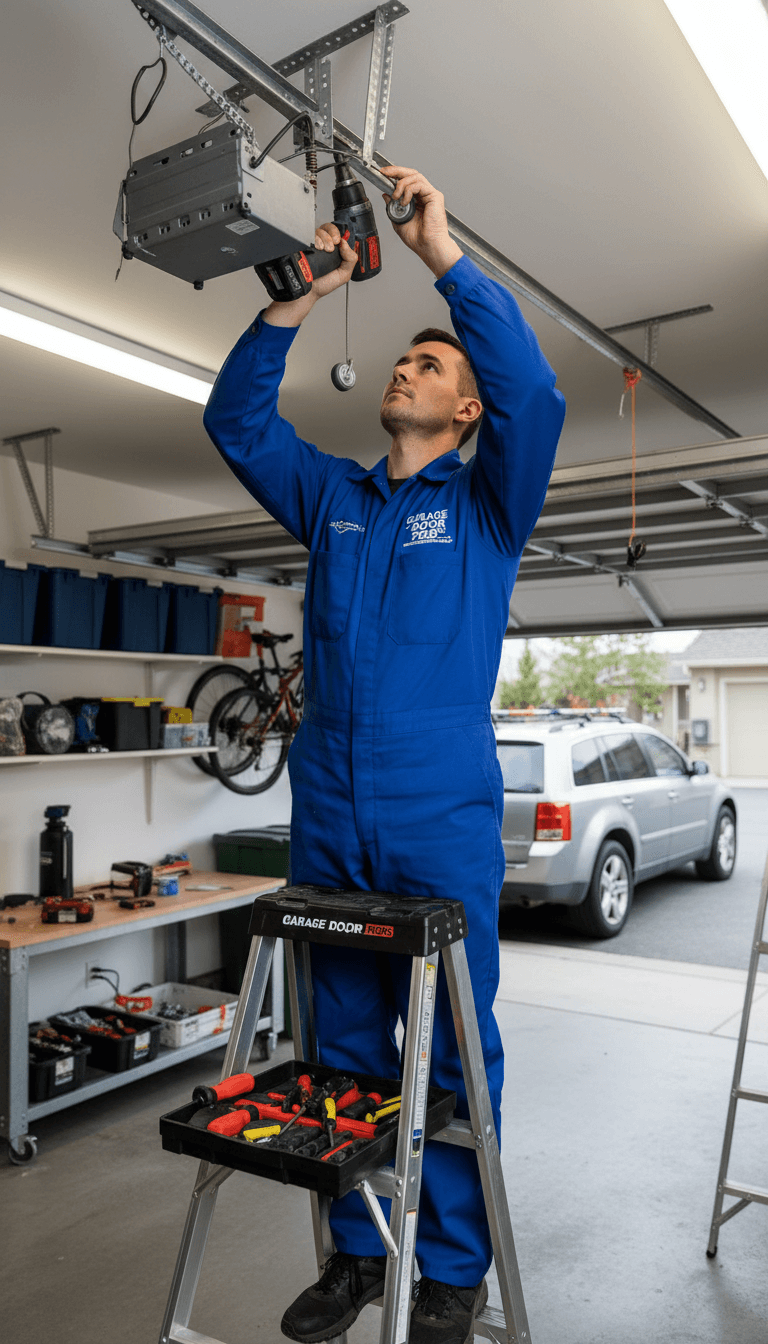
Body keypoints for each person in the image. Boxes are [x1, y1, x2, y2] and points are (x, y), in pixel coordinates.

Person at [203, 166, 565, 1344]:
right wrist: (301, 293)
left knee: (453, 1051)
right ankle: (362, 1248)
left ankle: (451, 1269)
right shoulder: (335, 499)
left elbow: (538, 394)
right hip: (330, 801)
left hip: (436, 807)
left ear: (466, 413)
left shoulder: (488, 507)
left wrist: (440, 257)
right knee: (342, 1047)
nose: (409, 369)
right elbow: (236, 424)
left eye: (432, 365)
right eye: (405, 358)